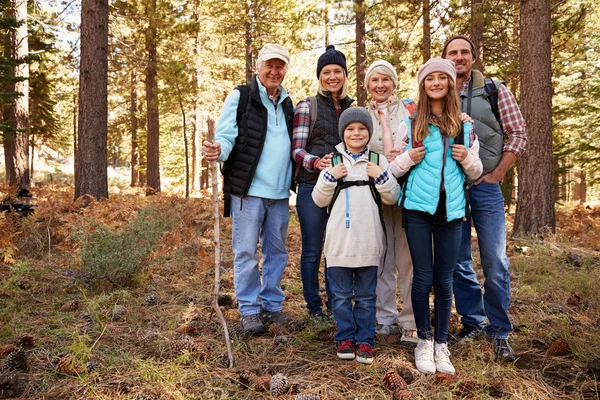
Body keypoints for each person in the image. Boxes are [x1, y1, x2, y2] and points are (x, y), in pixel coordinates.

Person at [388, 58, 483, 374]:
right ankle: (423, 342)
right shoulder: (412, 123)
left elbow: (476, 170)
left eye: (444, 78)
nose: (437, 83)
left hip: (453, 211)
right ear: (424, 85)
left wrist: (468, 158)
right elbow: (392, 168)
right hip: (417, 209)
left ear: (451, 83)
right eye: (432, 79)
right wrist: (406, 159)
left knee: (445, 279)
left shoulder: (465, 125)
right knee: (422, 276)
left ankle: (442, 345)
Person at [442, 35, 527, 362]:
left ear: (474, 57)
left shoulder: (494, 90)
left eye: (465, 52)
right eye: (453, 53)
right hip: (451, 191)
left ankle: (499, 330)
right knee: (457, 261)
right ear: (445, 58)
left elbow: (518, 132)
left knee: (494, 260)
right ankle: (473, 322)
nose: (459, 57)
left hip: (487, 187)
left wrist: (498, 173)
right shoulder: (439, 92)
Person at [202, 43, 295, 335]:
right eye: (270, 65)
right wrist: (219, 149)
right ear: (258, 67)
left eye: (280, 66)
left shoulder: (288, 102)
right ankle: (250, 309)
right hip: (248, 191)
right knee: (245, 252)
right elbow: (226, 135)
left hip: (280, 194)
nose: (274, 71)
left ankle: (271, 304)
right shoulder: (242, 96)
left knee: (276, 252)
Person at [312, 107, 400, 365]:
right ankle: (345, 338)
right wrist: (328, 178)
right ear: (343, 133)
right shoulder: (334, 161)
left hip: (369, 243)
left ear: (369, 132)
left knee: (365, 296)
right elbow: (318, 200)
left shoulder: (377, 160)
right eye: (350, 129)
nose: (356, 133)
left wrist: (382, 177)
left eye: (362, 128)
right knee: (339, 297)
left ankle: (365, 340)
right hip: (339, 244)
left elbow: (393, 197)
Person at [292, 45, 354, 318]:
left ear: (344, 74)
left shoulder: (353, 108)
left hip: (344, 189)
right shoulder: (308, 105)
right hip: (311, 186)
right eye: (326, 72)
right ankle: (314, 307)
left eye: (337, 71)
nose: (332, 77)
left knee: (337, 249)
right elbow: (296, 149)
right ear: (319, 76)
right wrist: (316, 162)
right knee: (313, 249)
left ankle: (336, 305)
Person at [364, 59, 418, 343]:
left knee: (408, 258)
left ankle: (410, 320)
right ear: (367, 86)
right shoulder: (361, 114)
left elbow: (433, 125)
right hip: (377, 194)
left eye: (386, 79)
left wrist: (462, 118)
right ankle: (384, 316)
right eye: (374, 80)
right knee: (382, 256)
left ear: (394, 83)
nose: (380, 85)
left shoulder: (410, 108)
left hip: (408, 191)